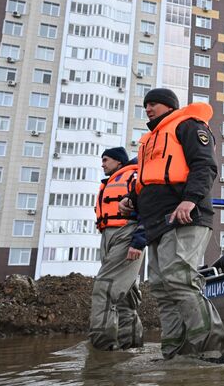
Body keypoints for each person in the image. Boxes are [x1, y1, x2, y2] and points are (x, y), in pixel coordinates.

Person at [119, 88, 224, 362]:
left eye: (153, 104)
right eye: (145, 105)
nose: (148, 109)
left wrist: (190, 200)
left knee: (180, 279)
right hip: (156, 223)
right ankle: (174, 353)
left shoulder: (188, 126)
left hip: (185, 216)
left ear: (169, 106)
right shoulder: (149, 141)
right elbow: (148, 179)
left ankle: (209, 350)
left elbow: (205, 165)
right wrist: (131, 199)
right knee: (162, 287)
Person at [89, 148, 146, 350]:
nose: (102, 164)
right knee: (125, 297)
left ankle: (102, 351)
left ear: (119, 161)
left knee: (104, 289)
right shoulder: (111, 182)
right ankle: (131, 347)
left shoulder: (133, 176)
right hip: (109, 236)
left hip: (126, 233)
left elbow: (147, 207)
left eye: (106, 160)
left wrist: (138, 241)